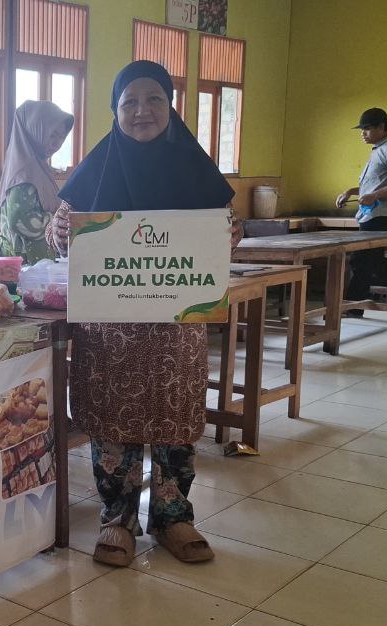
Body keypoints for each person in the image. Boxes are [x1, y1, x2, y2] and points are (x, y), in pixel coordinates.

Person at [47, 60, 240, 566]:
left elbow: (222, 232)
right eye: (129, 101)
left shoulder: (196, 170)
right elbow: (59, 232)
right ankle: (119, 520)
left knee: (175, 417)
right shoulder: (95, 170)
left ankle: (174, 517)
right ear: (115, 110)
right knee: (114, 419)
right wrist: (61, 234)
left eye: (154, 99)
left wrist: (229, 238)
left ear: (171, 107)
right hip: (110, 329)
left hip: (175, 326)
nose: (141, 111)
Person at [334, 107, 387, 316]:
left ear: (381, 127)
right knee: (371, 259)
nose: (363, 133)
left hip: (382, 213)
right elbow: (373, 186)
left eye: (367, 129)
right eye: (362, 130)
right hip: (371, 212)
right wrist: (350, 191)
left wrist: (376, 196)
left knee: (361, 258)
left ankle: (353, 305)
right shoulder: (378, 150)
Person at [0, 101, 75, 264]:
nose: (57, 143)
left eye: (61, 137)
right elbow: (19, 219)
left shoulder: (38, 166)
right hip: (26, 264)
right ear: (34, 131)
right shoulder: (24, 170)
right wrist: (59, 223)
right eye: (52, 135)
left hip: (37, 260)